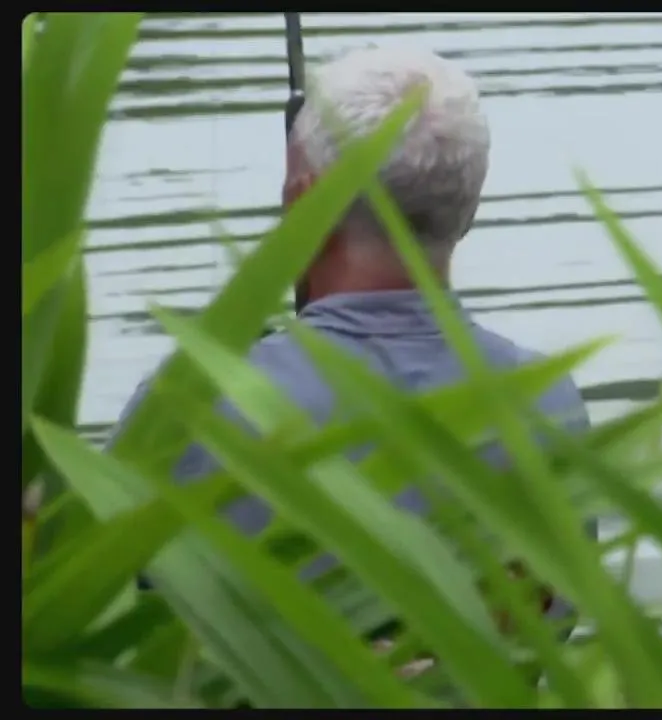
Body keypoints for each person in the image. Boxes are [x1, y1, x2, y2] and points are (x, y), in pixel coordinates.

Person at [112, 46, 592, 666]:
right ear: (468, 207)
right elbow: (551, 628)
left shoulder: (189, 404)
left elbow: (103, 621)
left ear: (303, 198)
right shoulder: (549, 404)